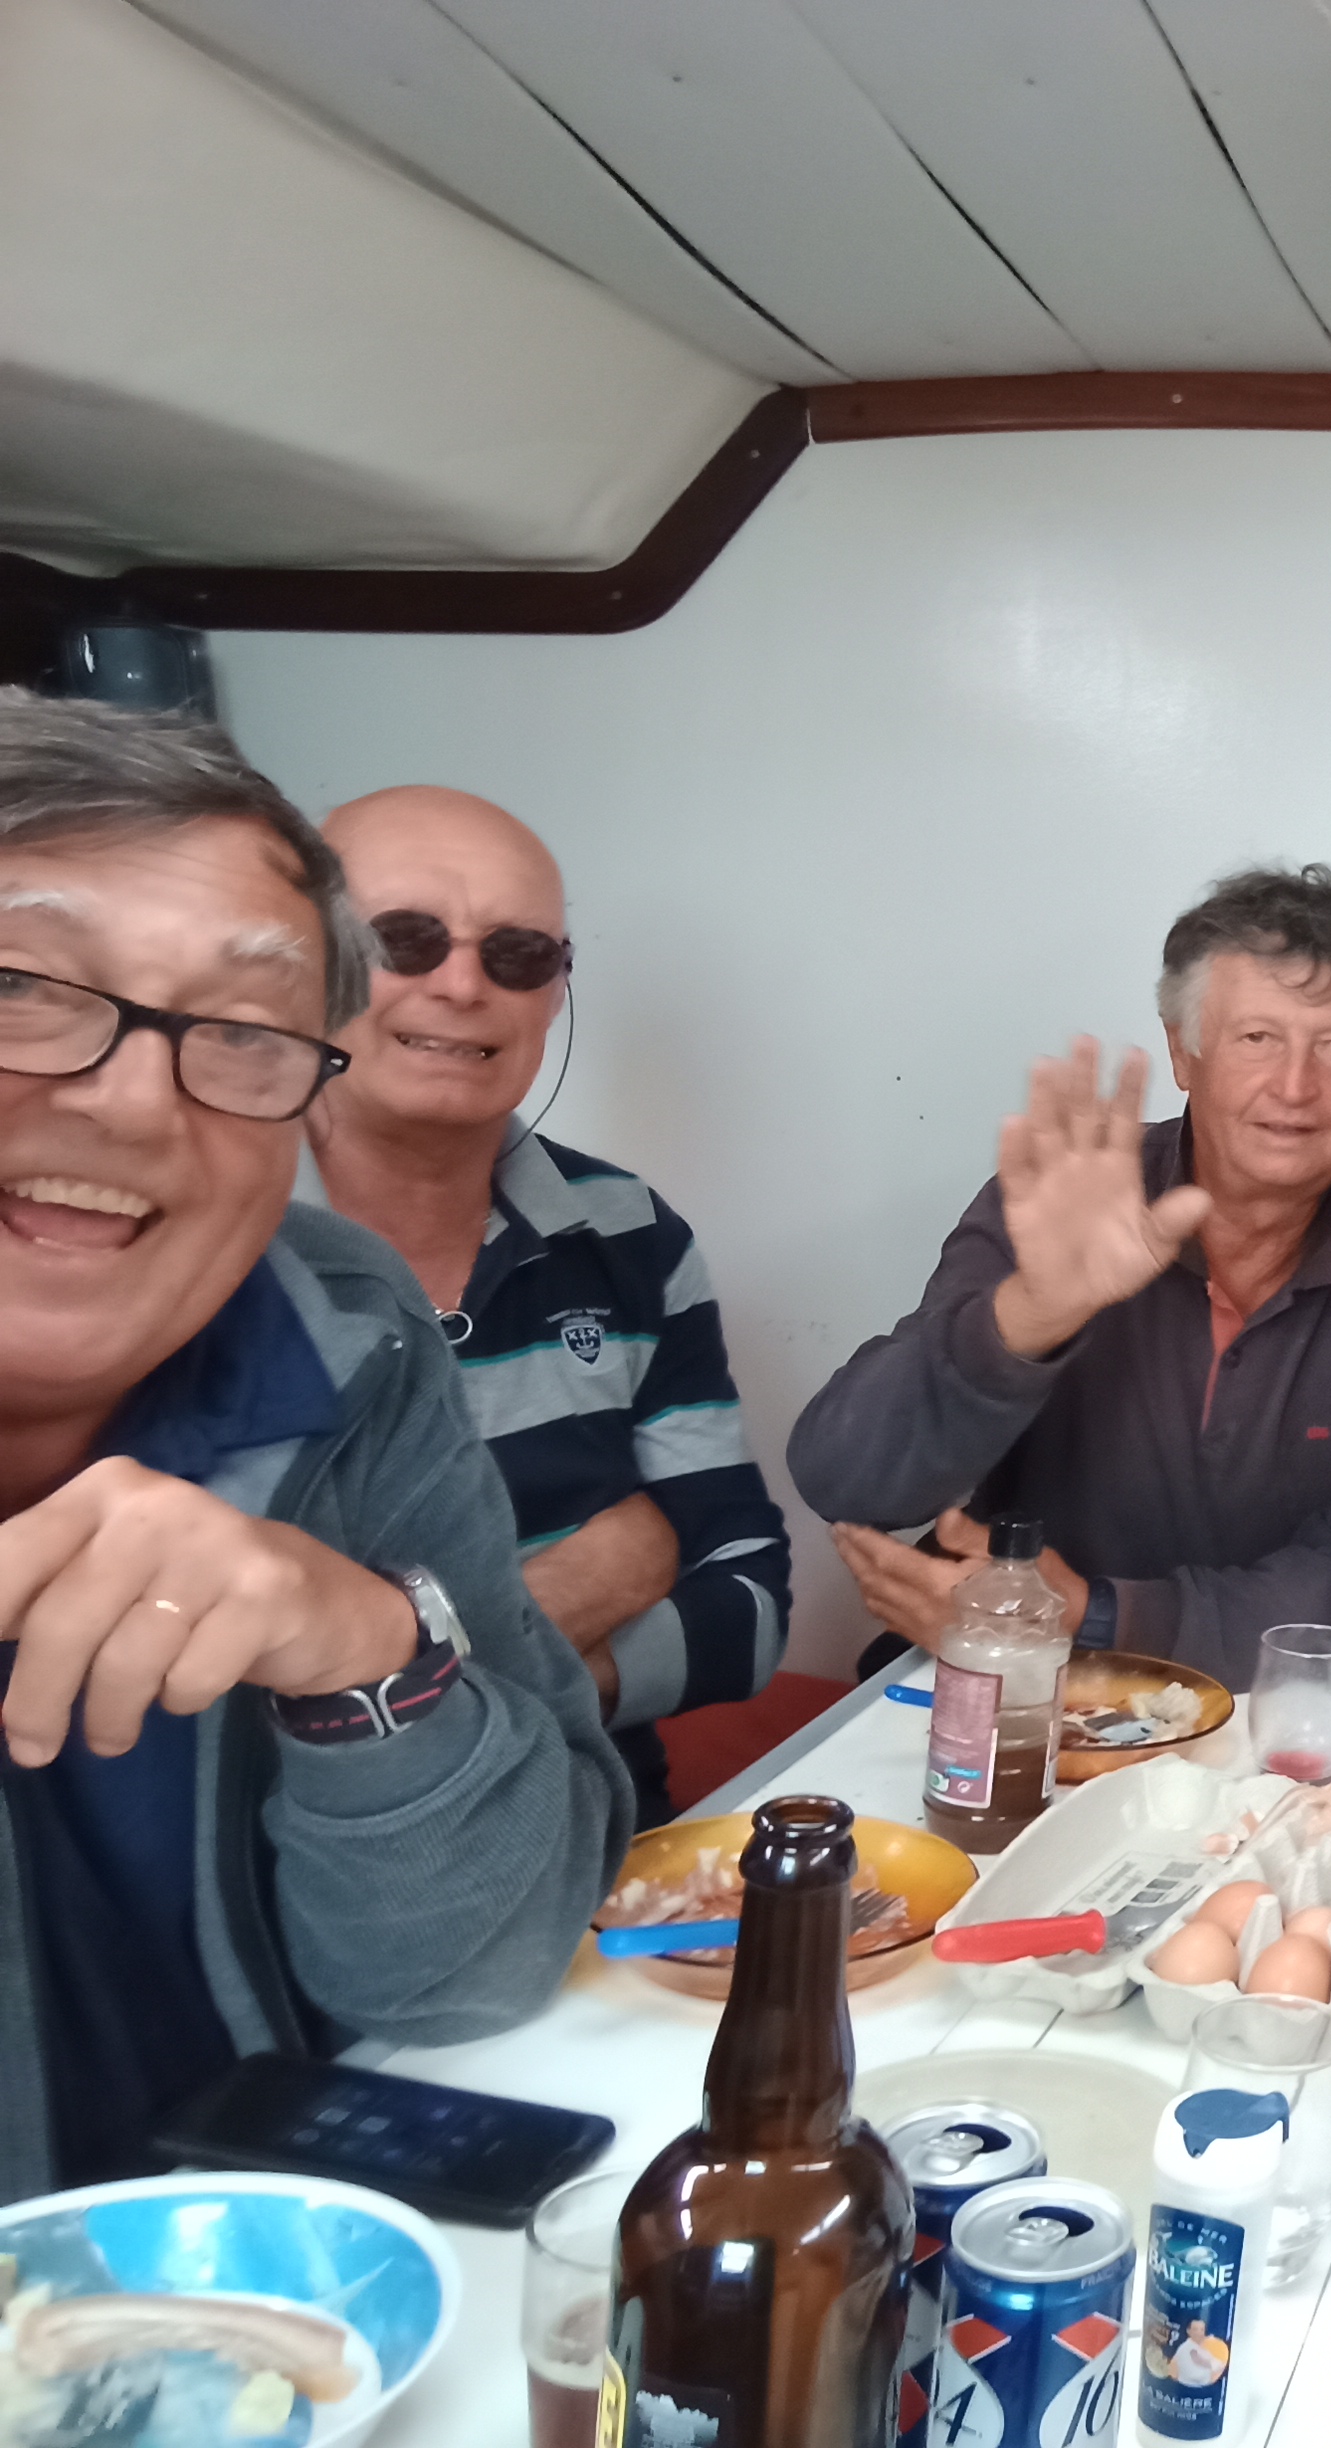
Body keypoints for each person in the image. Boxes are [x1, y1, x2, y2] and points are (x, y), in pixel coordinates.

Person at [0, 693, 628, 2196]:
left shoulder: (352, 1324)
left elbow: (746, 1579)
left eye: (239, 1030)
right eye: (24, 987)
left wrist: (368, 1649)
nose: (130, 1101)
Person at [304, 787, 790, 1827]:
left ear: (555, 993)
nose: (463, 984)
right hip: (301, 1887)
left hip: (605, 1844)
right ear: (299, 961)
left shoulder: (630, 1234)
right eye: (404, 940)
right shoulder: (194, 1242)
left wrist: (408, 1672)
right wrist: (596, 1576)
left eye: (517, 955)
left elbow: (750, 1607)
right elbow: (209, 1721)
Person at [794, 867, 1331, 1687]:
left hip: (1265, 1713)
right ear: (1184, 1053)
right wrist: (1029, 1317)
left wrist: (1096, 1613)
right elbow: (845, 1478)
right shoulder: (1075, 1197)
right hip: (1012, 1685)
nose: (1295, 1087)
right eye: (1257, 1038)